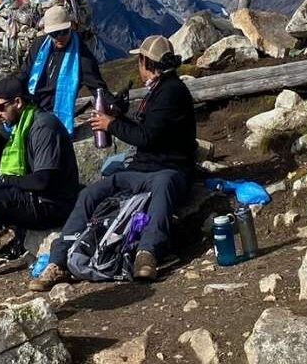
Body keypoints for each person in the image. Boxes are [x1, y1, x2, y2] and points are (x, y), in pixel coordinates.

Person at [31, 35, 196, 289]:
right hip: (141, 168)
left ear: (146, 61)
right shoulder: (159, 90)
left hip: (168, 168)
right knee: (90, 194)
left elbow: (147, 137)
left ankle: (147, 253)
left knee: (163, 191)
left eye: (139, 61)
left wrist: (112, 124)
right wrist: (119, 117)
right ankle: (59, 259)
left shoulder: (171, 92)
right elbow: (147, 130)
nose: (137, 67)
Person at [0, 75, 80, 259]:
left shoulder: (43, 127)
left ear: (17, 102)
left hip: (50, 206)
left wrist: (3, 179)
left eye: (1, 107)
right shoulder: (23, 122)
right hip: (39, 200)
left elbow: (42, 181)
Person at [26, 3, 108, 132]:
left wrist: (114, 105)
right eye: (54, 34)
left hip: (54, 117)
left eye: (63, 32)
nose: (59, 37)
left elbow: (97, 87)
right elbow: (24, 74)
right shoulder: (38, 45)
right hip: (31, 108)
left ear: (71, 28)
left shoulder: (81, 55)